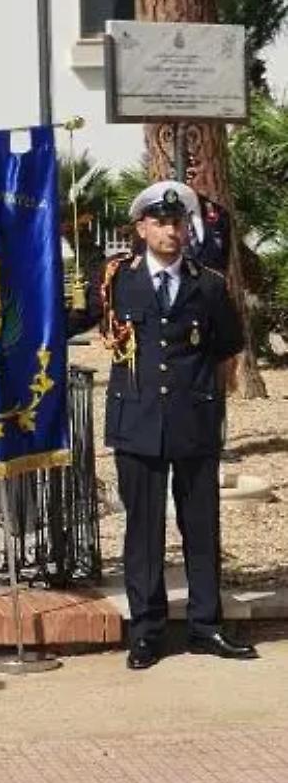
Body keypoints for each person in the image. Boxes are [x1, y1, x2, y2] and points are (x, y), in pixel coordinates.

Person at [101, 181, 257, 671]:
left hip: (193, 420)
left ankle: (206, 625)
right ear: (141, 228)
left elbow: (227, 346)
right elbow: (73, 318)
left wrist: (208, 403)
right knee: (143, 531)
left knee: (201, 525)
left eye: (177, 223)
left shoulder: (207, 284)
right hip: (137, 420)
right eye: (160, 222)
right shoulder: (117, 280)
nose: (170, 231)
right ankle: (146, 632)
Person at [183, 158, 233, 273]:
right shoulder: (156, 218)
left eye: (192, 175)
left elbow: (222, 262)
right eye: (183, 176)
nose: (188, 181)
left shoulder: (219, 213)